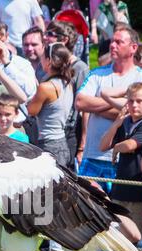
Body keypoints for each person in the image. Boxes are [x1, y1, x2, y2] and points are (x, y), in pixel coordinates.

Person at [76, 26, 142, 194]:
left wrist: (95, 108)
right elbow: (80, 102)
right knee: (87, 210)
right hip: (92, 156)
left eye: (119, 42)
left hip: (121, 159)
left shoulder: (141, 77)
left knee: (119, 211)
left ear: (133, 48)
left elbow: (135, 113)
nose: (112, 45)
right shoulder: (97, 74)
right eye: (112, 41)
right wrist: (119, 105)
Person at [100, 82, 142, 234]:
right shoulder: (125, 121)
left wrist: (116, 149)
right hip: (120, 190)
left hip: (140, 192)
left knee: (139, 237)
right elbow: (103, 146)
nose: (134, 105)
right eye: (130, 100)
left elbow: (130, 145)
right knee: (120, 235)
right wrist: (116, 123)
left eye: (139, 101)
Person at [45, 20, 89, 170]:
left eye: (50, 34)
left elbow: (85, 110)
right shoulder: (49, 64)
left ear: (64, 39)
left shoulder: (80, 68)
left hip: (70, 133)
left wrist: (82, 146)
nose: (45, 37)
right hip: (52, 132)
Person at [27, 43, 73, 167]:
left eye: (43, 57)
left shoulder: (46, 87)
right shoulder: (67, 83)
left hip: (49, 145)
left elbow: (31, 111)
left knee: (48, 186)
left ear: (49, 61)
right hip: (62, 143)